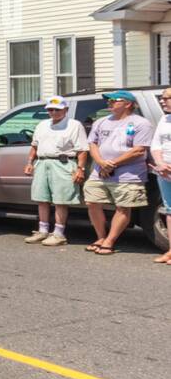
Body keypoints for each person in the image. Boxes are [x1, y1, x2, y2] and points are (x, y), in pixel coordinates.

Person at [84, 90, 153, 255]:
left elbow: (139, 150)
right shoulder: (100, 122)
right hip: (100, 171)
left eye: (115, 100)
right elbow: (92, 144)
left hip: (128, 173)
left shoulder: (141, 123)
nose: (110, 103)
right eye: (109, 100)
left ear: (128, 104)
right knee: (92, 202)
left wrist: (113, 164)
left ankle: (110, 241)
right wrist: (101, 162)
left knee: (123, 207)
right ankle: (100, 237)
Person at [23, 96, 89, 247]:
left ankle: (59, 234)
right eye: (50, 109)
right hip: (42, 162)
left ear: (65, 109)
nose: (54, 112)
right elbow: (34, 146)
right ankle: (43, 230)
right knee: (41, 198)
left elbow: (82, 150)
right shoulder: (42, 125)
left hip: (63, 163)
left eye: (57, 109)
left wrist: (80, 169)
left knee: (61, 200)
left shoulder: (74, 125)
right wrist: (29, 163)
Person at [152, 88, 171, 265]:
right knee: (169, 211)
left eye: (166, 98)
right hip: (165, 172)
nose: (163, 101)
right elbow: (156, 144)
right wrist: (160, 163)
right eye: (161, 98)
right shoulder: (164, 119)